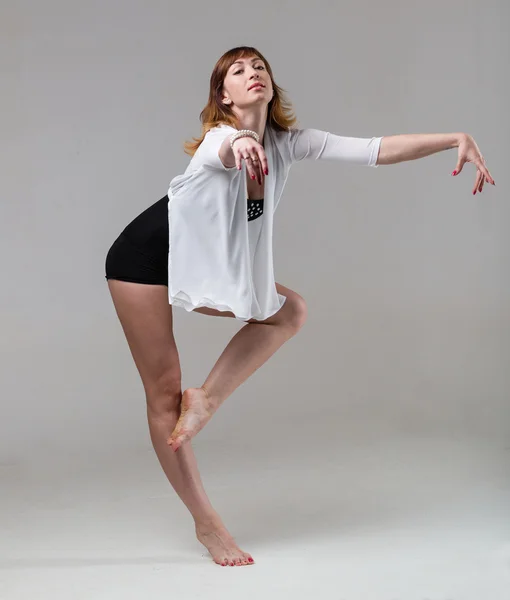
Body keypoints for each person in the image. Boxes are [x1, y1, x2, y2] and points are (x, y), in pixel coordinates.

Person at [104, 46, 495, 567]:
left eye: (259, 66)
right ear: (224, 95)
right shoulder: (218, 141)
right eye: (238, 71)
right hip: (142, 261)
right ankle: (207, 524)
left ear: (270, 83)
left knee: (290, 312)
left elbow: (375, 149)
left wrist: (454, 138)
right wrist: (240, 138)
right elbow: (226, 147)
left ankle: (208, 400)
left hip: (202, 262)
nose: (252, 73)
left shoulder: (290, 145)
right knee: (161, 396)